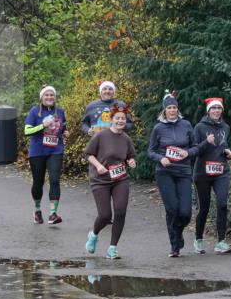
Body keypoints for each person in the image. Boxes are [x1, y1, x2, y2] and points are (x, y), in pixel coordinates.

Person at [148, 91, 199, 257]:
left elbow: (196, 147)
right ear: (164, 110)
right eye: (169, 107)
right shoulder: (158, 128)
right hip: (165, 172)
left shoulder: (186, 125)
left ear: (178, 109)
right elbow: (151, 151)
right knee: (172, 209)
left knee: (185, 212)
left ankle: (178, 232)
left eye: (174, 107)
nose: (172, 110)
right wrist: (161, 158)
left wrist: (188, 153)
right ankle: (174, 246)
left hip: (183, 171)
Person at [83, 105, 136, 258]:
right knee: (105, 216)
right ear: (111, 120)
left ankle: (112, 248)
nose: (120, 121)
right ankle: (93, 235)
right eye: (117, 118)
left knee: (120, 211)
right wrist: (99, 166)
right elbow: (88, 154)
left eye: (123, 119)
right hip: (100, 180)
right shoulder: (101, 136)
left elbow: (130, 156)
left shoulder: (126, 138)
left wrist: (131, 162)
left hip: (120, 179)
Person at [192, 98, 231, 254]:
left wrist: (227, 151)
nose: (216, 111)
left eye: (219, 108)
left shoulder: (226, 127)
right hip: (202, 173)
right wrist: (205, 142)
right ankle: (198, 238)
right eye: (214, 108)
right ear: (208, 111)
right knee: (204, 208)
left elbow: (223, 145)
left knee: (222, 204)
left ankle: (221, 241)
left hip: (221, 172)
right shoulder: (199, 127)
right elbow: (194, 150)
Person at [24, 85, 68, 224]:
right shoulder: (34, 111)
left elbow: (62, 127)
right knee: (38, 183)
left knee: (54, 180)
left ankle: (53, 214)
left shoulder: (60, 111)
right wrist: (43, 125)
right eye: (46, 95)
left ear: (55, 97)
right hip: (38, 151)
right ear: (42, 97)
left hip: (55, 150)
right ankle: (37, 210)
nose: (49, 97)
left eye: (52, 95)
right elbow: (27, 131)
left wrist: (65, 132)